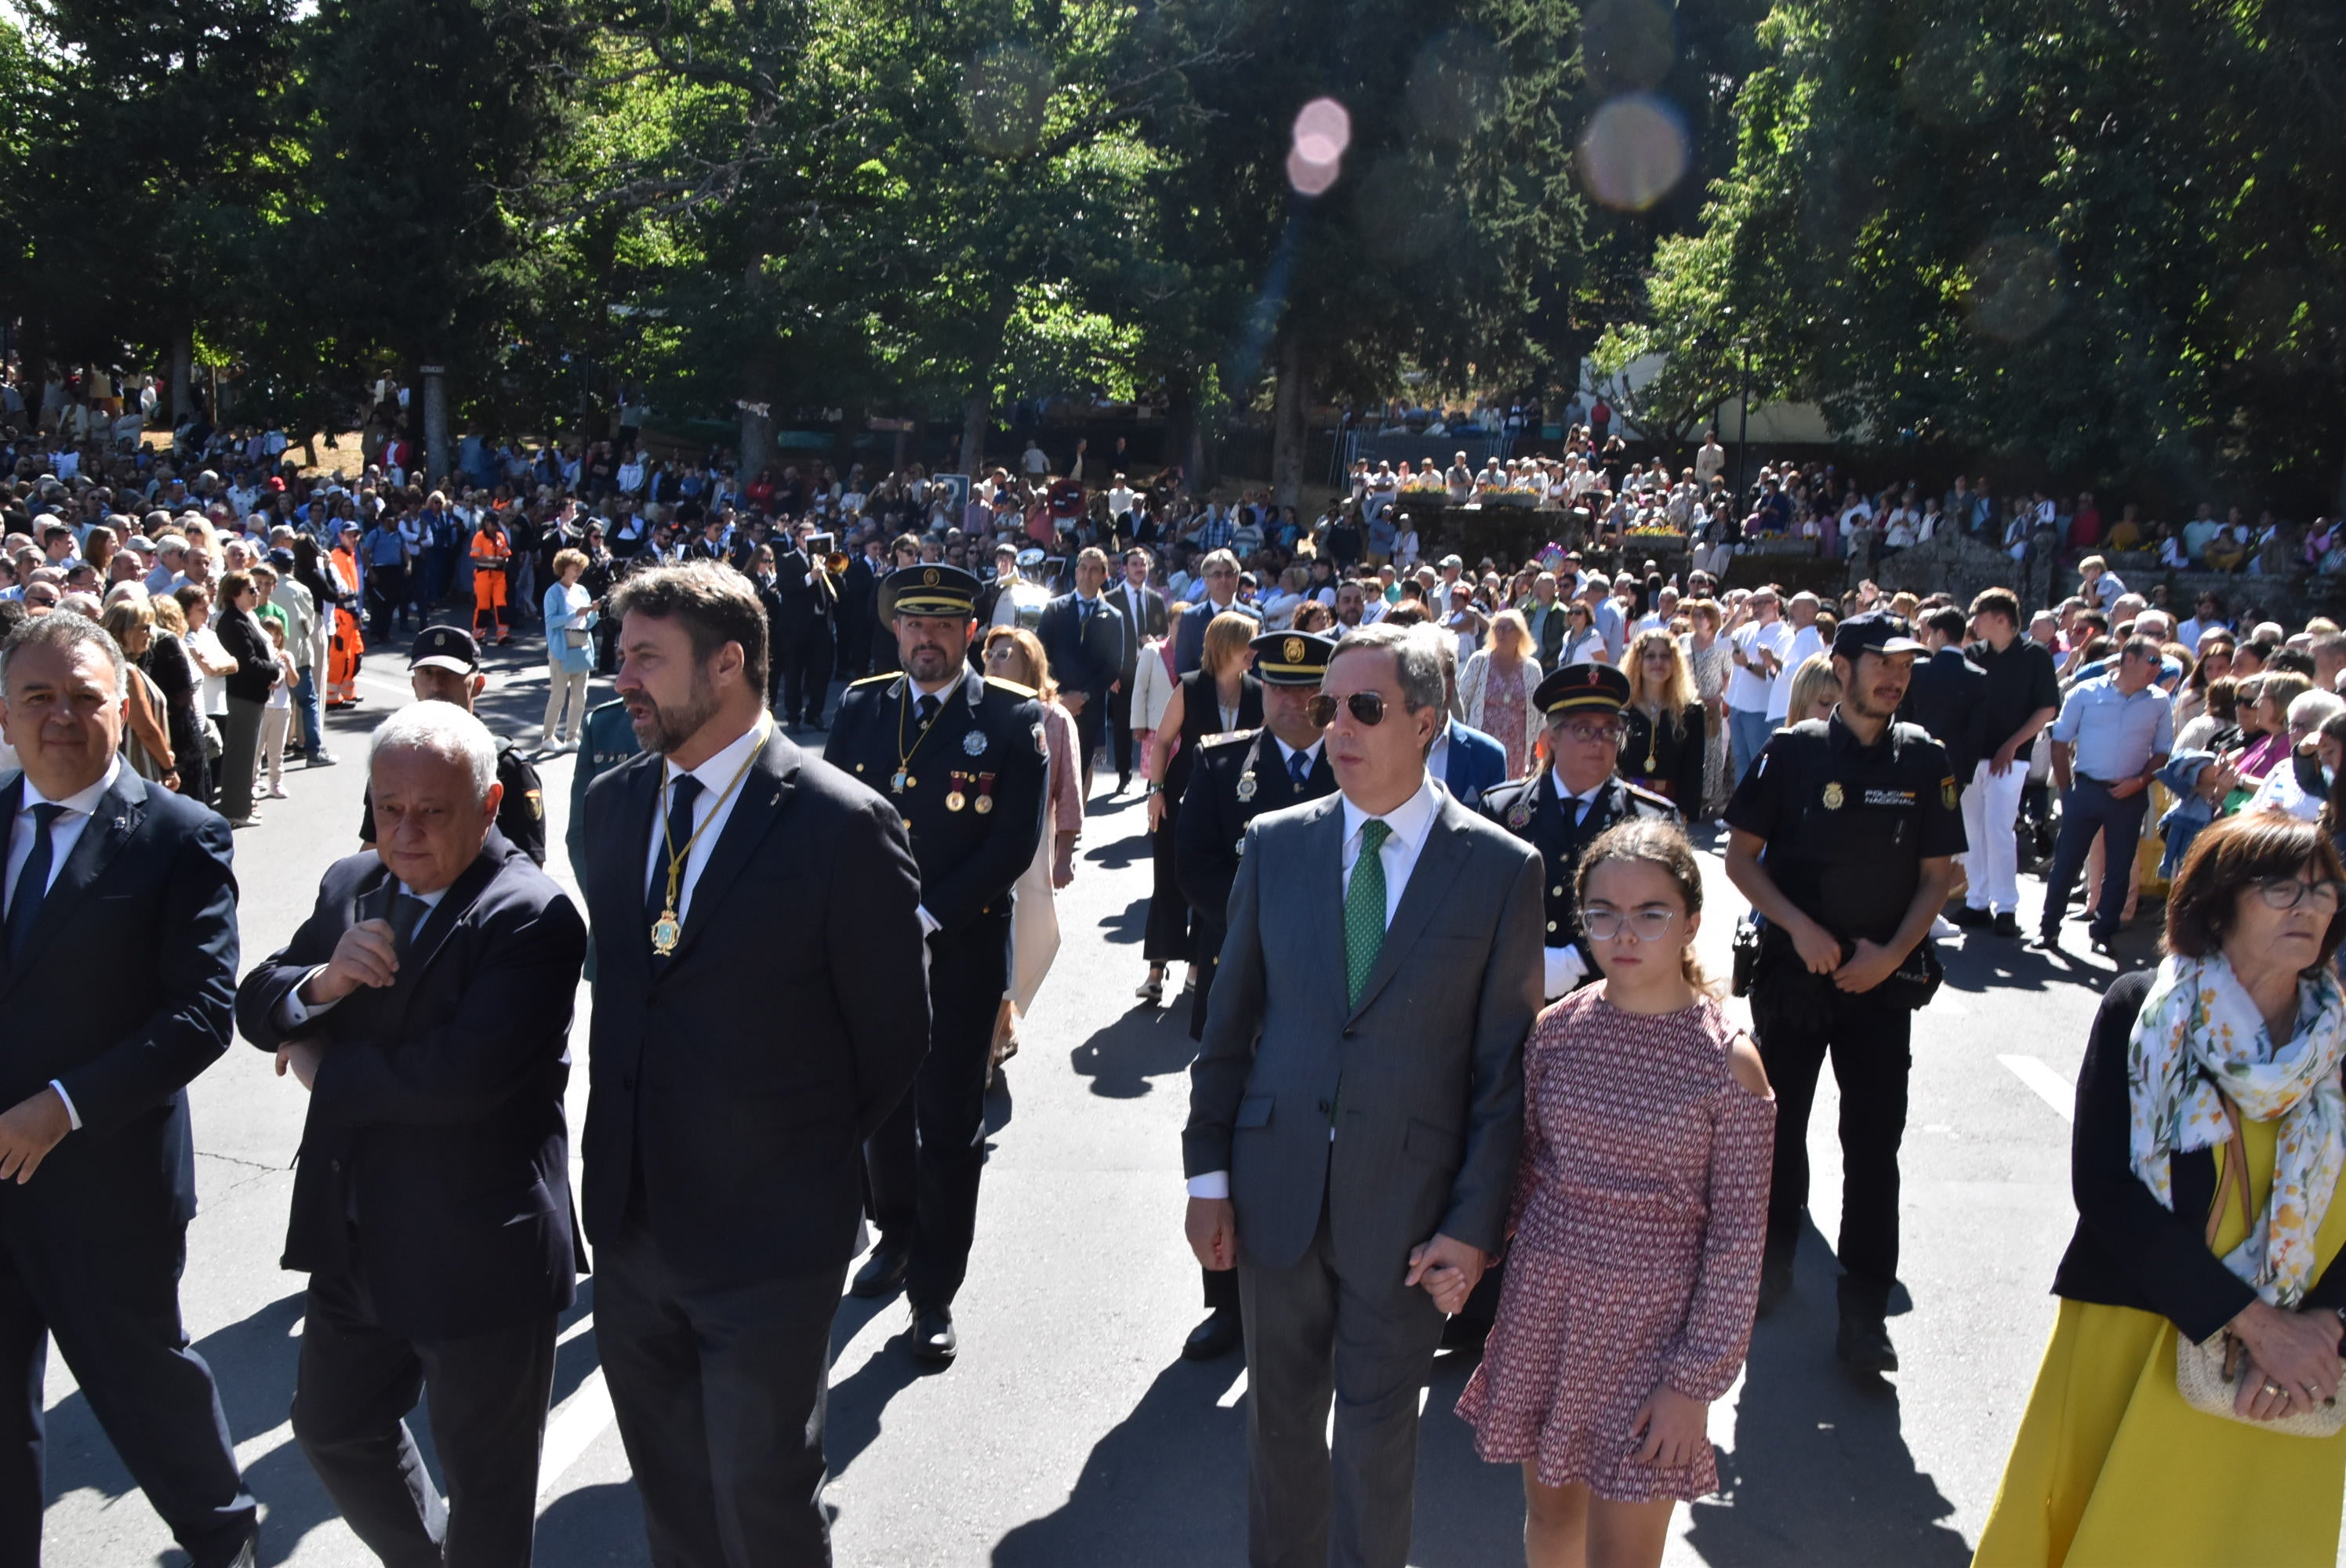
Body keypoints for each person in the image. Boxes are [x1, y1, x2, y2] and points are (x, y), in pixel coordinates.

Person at [577, 561, 928, 1564]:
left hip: (769, 1241)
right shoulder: (610, 804)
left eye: (647, 656)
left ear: (728, 662)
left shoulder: (840, 822)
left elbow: (895, 1035)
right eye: (620, 654)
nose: (623, 677)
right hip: (635, 1225)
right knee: (674, 1498)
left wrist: (787, 1154)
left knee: (764, 1500)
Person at [1182, 621, 1544, 1568]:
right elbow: (1227, 1030)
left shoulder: (1502, 869)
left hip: (1410, 1215)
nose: (1333, 725)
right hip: (1274, 1192)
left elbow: (1501, 1073)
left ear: (1426, 721)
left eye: (1364, 708)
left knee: (1378, 1444)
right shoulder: (1276, 844)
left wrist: (1473, 1227)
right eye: (1325, 706)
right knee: (1277, 1430)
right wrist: (1207, 1176)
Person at [234, 703, 588, 1568]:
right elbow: (256, 997)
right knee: (332, 1426)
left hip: (478, 1254)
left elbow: (457, 1080)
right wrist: (320, 984)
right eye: (387, 805)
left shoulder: (531, 914)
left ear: (489, 801)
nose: (404, 829)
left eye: (432, 810)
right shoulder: (352, 881)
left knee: (488, 1486)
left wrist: (318, 1064)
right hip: (356, 1236)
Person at [1974, 812, 2346, 1566]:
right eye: (2280, 888)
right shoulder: (2144, 1012)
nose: (2307, 906)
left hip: (2303, 1367)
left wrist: (2321, 1334)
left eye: (2323, 889)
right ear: (2217, 904)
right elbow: (2107, 1189)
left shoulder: (2339, 1039)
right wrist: (2257, 1327)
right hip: (2142, 1335)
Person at [0, 612, 258, 1566]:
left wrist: (63, 1104)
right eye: (38, 697)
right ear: (4, 712)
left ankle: (224, 1542)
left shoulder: (177, 836)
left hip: (105, 1185)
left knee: (146, 1394)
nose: (60, 716)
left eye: (83, 697)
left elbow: (200, 1013)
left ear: (126, 705)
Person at [1458, 820, 1773, 1568]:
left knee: (1624, 1556)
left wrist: (1694, 1385)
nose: (1623, 934)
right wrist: (1466, 1253)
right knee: (1552, 1521)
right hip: (1548, 1313)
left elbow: (1737, 1246)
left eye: (1650, 914)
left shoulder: (1729, 1066)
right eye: (1603, 913)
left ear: (1692, 920)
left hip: (1653, 1338)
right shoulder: (1555, 1033)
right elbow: (1525, 1178)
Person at [1725, 610, 1964, 1370]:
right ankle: (1772, 1259)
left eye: (1905, 666)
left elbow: (1938, 877)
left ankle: (1863, 1304)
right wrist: (1797, 926)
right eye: (1881, 663)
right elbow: (1739, 858)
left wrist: (1893, 954)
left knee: (1872, 1141)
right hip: (1795, 978)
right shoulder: (1791, 753)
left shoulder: (1925, 759)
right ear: (1842, 665)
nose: (1895, 676)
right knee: (1776, 1126)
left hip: (1880, 986)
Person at [829, 564, 1048, 1363]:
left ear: (970, 634)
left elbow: (1010, 842)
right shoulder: (861, 708)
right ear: (897, 631)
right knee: (880, 1110)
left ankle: (933, 1291)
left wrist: (922, 913)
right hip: (869, 954)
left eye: (943, 625)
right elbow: (831, 819)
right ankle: (894, 1231)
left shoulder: (1013, 718)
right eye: (914, 624)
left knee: (949, 1126)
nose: (927, 638)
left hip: (957, 949)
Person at [1171, 629, 1340, 1363]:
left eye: (1308, 691)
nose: (1293, 703)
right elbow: (1195, 865)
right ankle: (1227, 1304)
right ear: (1259, 687)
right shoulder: (1219, 763)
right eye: (1277, 687)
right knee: (1224, 1133)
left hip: (1333, 984)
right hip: (1240, 973)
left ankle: (1318, 1294)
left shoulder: (1357, 764)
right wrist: (1259, 931)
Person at [1144, 612, 1264, 1006]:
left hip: (1235, 806)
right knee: (1169, 878)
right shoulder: (1191, 687)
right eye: (1249, 642)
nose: (1255, 651)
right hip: (1182, 796)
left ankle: (1199, 967)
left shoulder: (1259, 691)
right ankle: (1156, 970)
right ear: (1227, 645)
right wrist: (1156, 789)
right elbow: (1163, 741)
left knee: (1215, 885)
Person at [979, 626, 1081, 1069]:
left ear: (1030, 662)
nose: (994, 662)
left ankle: (1003, 1022)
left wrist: (1063, 855)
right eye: (990, 655)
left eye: (1005, 655)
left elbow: (1069, 790)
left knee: (1025, 937)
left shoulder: (1055, 719)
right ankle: (987, 1040)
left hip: (1034, 845)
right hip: (981, 838)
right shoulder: (977, 708)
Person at [358, 628, 547, 867]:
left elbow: (529, 869)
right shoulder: (395, 759)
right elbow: (373, 849)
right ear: (414, 684)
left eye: (450, 674)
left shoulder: (506, 768)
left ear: (478, 685)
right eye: (427, 673)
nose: (437, 685)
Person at [2038, 635, 2175, 954]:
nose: (2158, 668)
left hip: (2129, 795)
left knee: (2119, 867)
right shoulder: (2085, 693)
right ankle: (2048, 929)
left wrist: (2140, 782)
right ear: (2129, 659)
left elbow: (2163, 751)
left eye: (2160, 662)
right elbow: (2059, 741)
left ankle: (2104, 932)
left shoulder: (2158, 701)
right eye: (2152, 661)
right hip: (2086, 789)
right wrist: (2066, 790)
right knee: (2067, 863)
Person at [1956, 588, 2061, 937]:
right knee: (1972, 831)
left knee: (1999, 831)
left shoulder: (2035, 656)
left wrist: (2012, 746)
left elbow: (2047, 708)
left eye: (1979, 616)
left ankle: (2006, 908)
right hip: (1971, 758)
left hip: (2010, 761)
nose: (1973, 623)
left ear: (2001, 619)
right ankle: (1976, 902)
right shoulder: (1971, 654)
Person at [1036, 545, 1125, 798]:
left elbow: (1112, 668)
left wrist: (1083, 697)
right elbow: (1041, 656)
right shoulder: (1054, 609)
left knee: (1080, 765)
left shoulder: (1113, 616)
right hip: (1054, 702)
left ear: (1104, 576)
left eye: (1094, 570)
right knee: (1049, 764)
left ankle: (1072, 826)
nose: (1087, 575)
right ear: (1075, 573)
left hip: (1090, 706)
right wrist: (1059, 697)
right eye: (1083, 569)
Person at [213, 569, 279, 829]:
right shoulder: (232, 622)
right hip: (242, 695)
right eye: (251, 589)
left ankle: (242, 806)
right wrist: (276, 671)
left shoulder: (245, 617)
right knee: (240, 753)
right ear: (234, 594)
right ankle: (234, 810)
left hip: (254, 694)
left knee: (249, 753)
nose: (257, 593)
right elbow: (248, 662)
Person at [1619, 627, 1707, 809]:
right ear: (1638, 662)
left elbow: (1693, 771)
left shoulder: (1691, 712)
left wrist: (1685, 815)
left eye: (1665, 656)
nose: (1658, 662)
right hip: (1624, 802)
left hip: (1670, 805)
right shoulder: (1622, 708)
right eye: (1650, 656)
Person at [1107, 547, 1169, 793]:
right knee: (1123, 725)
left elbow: (1165, 632)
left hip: (1152, 670)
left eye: (1143, 564)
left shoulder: (1154, 598)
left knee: (1153, 725)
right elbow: (1105, 640)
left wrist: (1156, 639)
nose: (1140, 569)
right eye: (1134, 564)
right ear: (1125, 568)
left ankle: (1151, 776)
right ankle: (1124, 777)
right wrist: (1110, 674)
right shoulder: (1111, 597)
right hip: (1123, 672)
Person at [1457, 609, 1542, 780]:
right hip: (1481, 746)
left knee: (1509, 797)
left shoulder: (1532, 669)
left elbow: (1538, 716)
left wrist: (1535, 755)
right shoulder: (1479, 661)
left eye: (1507, 628)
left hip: (1517, 750)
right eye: (1497, 627)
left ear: (1520, 634)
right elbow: (1461, 704)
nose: (1501, 632)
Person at [1725, 587, 1792, 786]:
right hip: (1737, 707)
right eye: (1754, 603)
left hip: (1760, 710)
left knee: (1760, 765)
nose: (1757, 608)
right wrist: (1739, 614)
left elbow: (1778, 675)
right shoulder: (1748, 628)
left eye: (1763, 603)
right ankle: (1739, 814)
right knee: (1741, 762)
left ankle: (1757, 814)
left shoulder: (1785, 635)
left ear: (1776, 605)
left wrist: (1748, 664)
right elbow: (1721, 640)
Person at [541, 546, 599, 751]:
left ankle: (572, 737)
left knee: (580, 696)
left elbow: (589, 622)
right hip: (562, 647)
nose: (579, 572)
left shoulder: (581, 590)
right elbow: (551, 621)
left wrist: (593, 612)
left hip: (582, 646)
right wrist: (576, 613)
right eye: (575, 568)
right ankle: (548, 736)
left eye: (580, 569)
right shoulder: (553, 592)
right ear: (564, 568)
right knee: (558, 696)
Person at [1171, 549, 1262, 673]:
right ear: (1206, 580)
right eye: (1217, 575)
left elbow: (1260, 664)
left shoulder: (1254, 618)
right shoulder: (1190, 618)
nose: (1223, 580)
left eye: (1229, 574)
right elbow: (1183, 667)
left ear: (1237, 579)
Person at [467, 513, 513, 644]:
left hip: (499, 576)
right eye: (492, 524)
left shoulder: (500, 537)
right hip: (484, 576)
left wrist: (502, 560)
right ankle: (478, 635)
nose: (494, 527)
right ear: (486, 524)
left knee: (501, 605)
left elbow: (506, 555)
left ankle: (503, 634)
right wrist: (495, 560)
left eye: (495, 525)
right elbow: (476, 556)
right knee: (483, 606)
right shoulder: (479, 537)